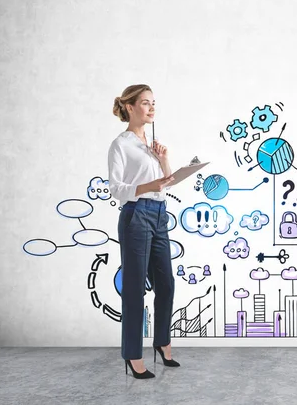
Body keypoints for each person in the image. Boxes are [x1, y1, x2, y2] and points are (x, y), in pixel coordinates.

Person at [108, 84, 180, 379]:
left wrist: (162, 158)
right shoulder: (120, 144)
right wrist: (148, 187)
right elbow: (116, 188)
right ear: (129, 107)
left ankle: (162, 342)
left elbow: (168, 182)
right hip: (136, 215)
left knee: (166, 284)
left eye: (154, 104)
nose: (151, 108)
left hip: (159, 214)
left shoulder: (150, 145)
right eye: (145, 103)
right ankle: (133, 356)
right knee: (136, 289)